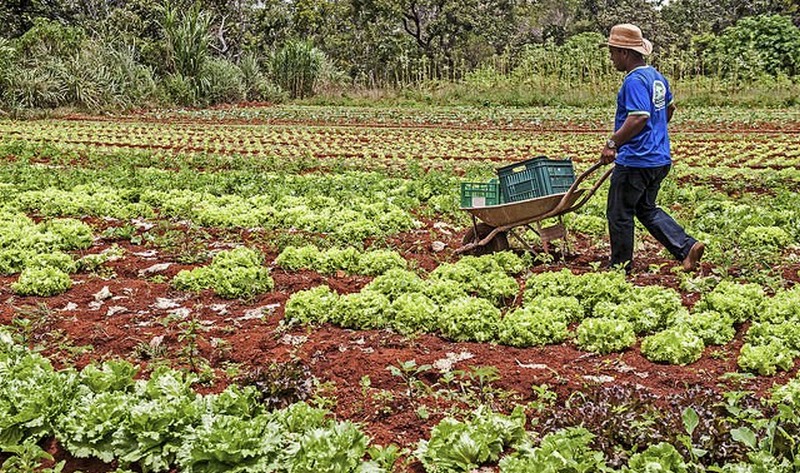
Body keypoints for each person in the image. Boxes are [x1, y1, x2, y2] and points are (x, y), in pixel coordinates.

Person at [599, 23, 704, 273]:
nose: (611, 58)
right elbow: (668, 110)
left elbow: (639, 117)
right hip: (659, 158)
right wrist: (654, 134)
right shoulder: (657, 78)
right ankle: (686, 247)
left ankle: (619, 267)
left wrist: (613, 143)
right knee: (645, 208)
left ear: (625, 52)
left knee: (619, 212)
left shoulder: (634, 81)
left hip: (636, 160)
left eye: (613, 52)